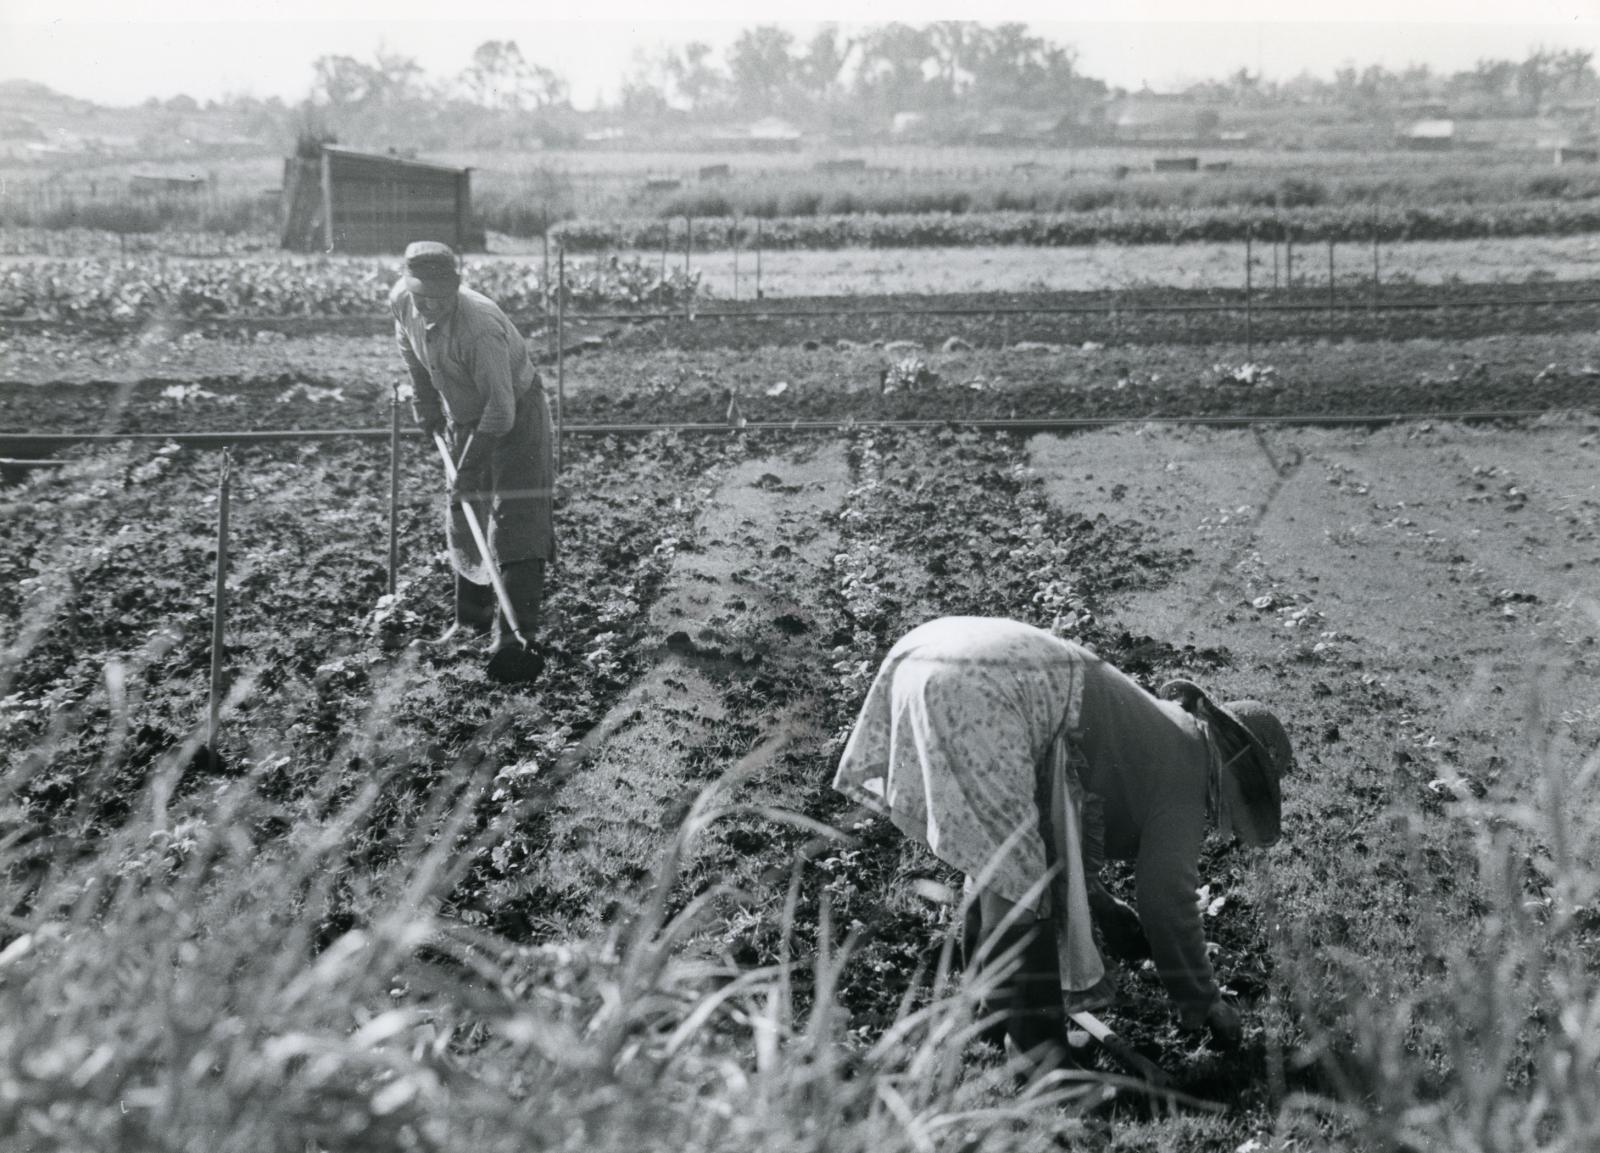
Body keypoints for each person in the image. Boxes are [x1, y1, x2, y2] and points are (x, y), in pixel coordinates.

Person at [831, 616, 1294, 1071]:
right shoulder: (1190, 771)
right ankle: (1045, 1064)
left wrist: (1101, 903)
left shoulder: (1161, 729)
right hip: (984, 690)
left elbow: (1056, 822)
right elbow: (1166, 902)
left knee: (1002, 869)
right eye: (1248, 795)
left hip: (932, 653)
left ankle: (991, 1018)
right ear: (1235, 767)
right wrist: (1205, 1001)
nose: (1225, 824)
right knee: (1020, 889)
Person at [389, 241, 556, 654]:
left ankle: (516, 638)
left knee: (514, 517)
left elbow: (502, 411)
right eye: (421, 295)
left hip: (517, 417)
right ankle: (471, 625)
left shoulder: (479, 328)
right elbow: (412, 349)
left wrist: (468, 468)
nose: (429, 305)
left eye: (440, 297)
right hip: (465, 417)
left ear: (456, 287)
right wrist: (424, 401)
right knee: (466, 517)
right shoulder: (403, 302)